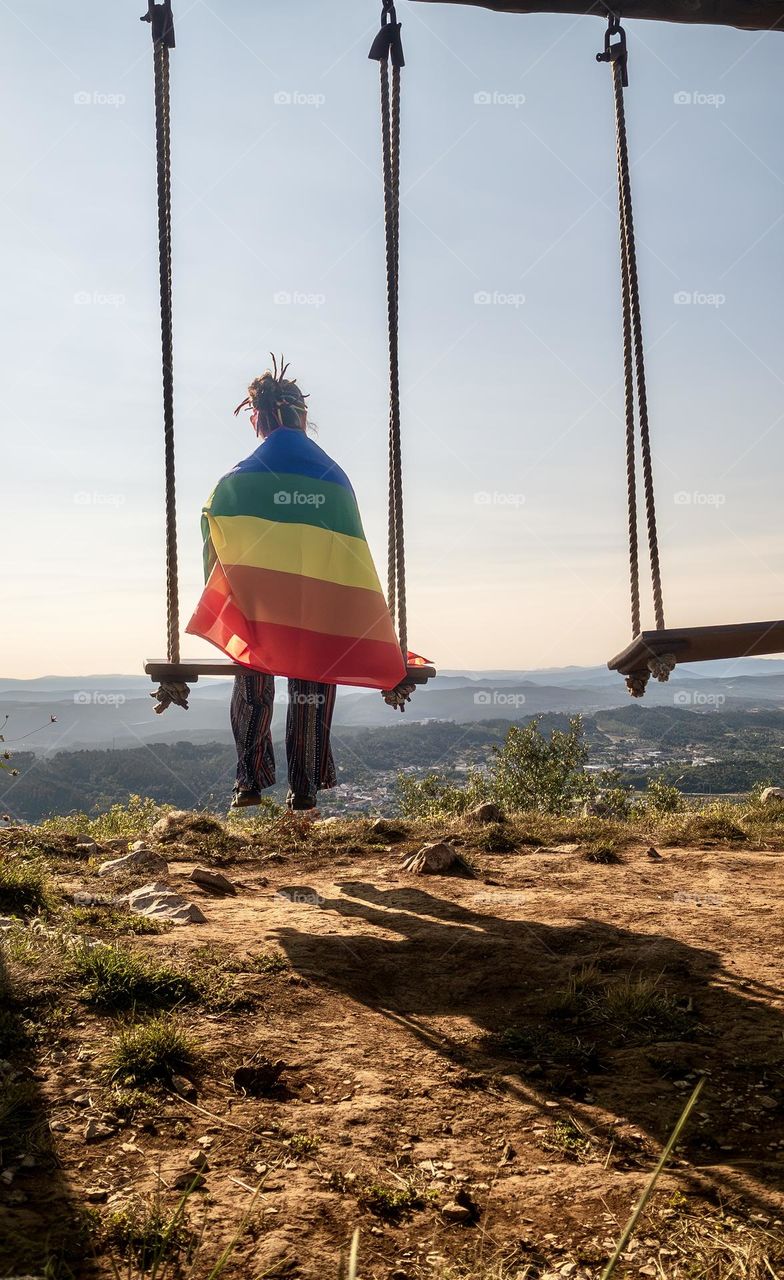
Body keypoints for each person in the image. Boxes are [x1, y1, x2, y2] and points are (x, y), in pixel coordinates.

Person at [186, 357, 407, 812]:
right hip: (320, 612)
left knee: (253, 661)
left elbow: (213, 532)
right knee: (313, 675)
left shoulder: (237, 479)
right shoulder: (334, 478)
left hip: (261, 608)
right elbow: (351, 555)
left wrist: (234, 589)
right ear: (302, 417)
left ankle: (249, 779)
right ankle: (303, 790)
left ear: (258, 419)